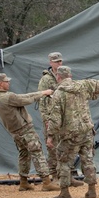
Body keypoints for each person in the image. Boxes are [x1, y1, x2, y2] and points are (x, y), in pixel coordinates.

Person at [49, 65, 99, 198]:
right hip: (87, 131)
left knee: (64, 161)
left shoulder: (58, 94)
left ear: (58, 77)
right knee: (88, 159)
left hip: (70, 134)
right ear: (70, 76)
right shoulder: (82, 85)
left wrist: (50, 135)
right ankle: (91, 190)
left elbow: (55, 119)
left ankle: (65, 193)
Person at [0, 73, 57, 191]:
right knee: (37, 152)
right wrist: (43, 93)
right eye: (6, 82)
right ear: (0, 83)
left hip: (15, 132)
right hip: (25, 130)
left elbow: (22, 96)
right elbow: (25, 98)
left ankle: (23, 182)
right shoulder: (7, 97)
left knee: (24, 154)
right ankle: (46, 182)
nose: (8, 83)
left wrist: (42, 93)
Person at [37, 51, 82, 187]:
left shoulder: (65, 76)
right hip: (52, 118)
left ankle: (69, 176)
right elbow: (42, 100)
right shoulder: (46, 80)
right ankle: (55, 176)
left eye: (60, 61)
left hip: (66, 119)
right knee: (53, 149)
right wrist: (46, 120)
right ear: (50, 63)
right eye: (56, 61)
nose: (59, 63)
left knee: (68, 147)